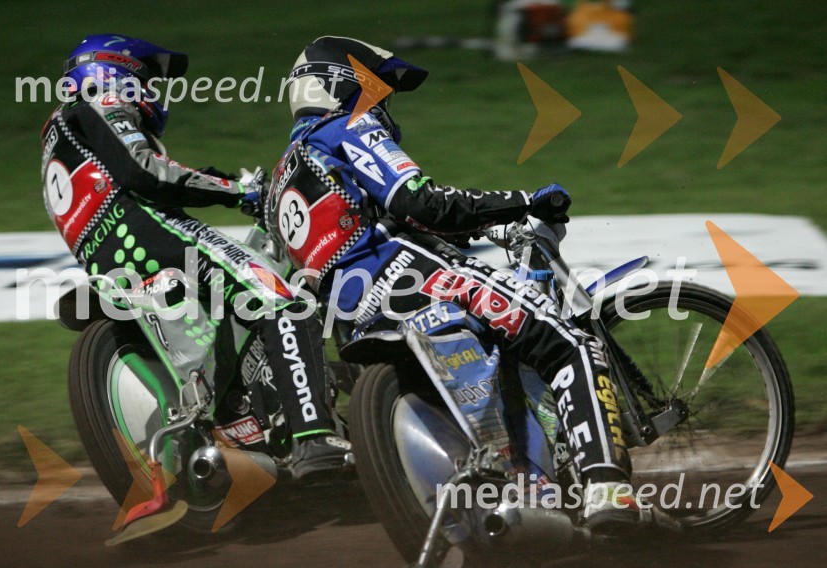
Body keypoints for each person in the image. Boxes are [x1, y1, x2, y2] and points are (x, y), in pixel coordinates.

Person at [272, 36, 642, 532]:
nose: (382, 106)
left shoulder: (282, 177)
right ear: (341, 87)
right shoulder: (347, 128)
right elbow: (421, 203)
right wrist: (522, 202)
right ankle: (607, 488)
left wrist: (465, 227)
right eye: (376, 92)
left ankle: (528, 488)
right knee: (567, 340)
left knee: (504, 357)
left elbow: (345, 236)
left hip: (355, 320)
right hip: (417, 279)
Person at [41, 34, 350, 481]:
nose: (150, 91)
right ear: (112, 71)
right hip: (147, 233)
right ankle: (314, 438)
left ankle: (241, 423)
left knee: (232, 315)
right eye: (144, 78)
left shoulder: (56, 133)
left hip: (106, 257)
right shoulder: (100, 100)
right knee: (279, 296)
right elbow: (144, 171)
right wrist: (239, 189)